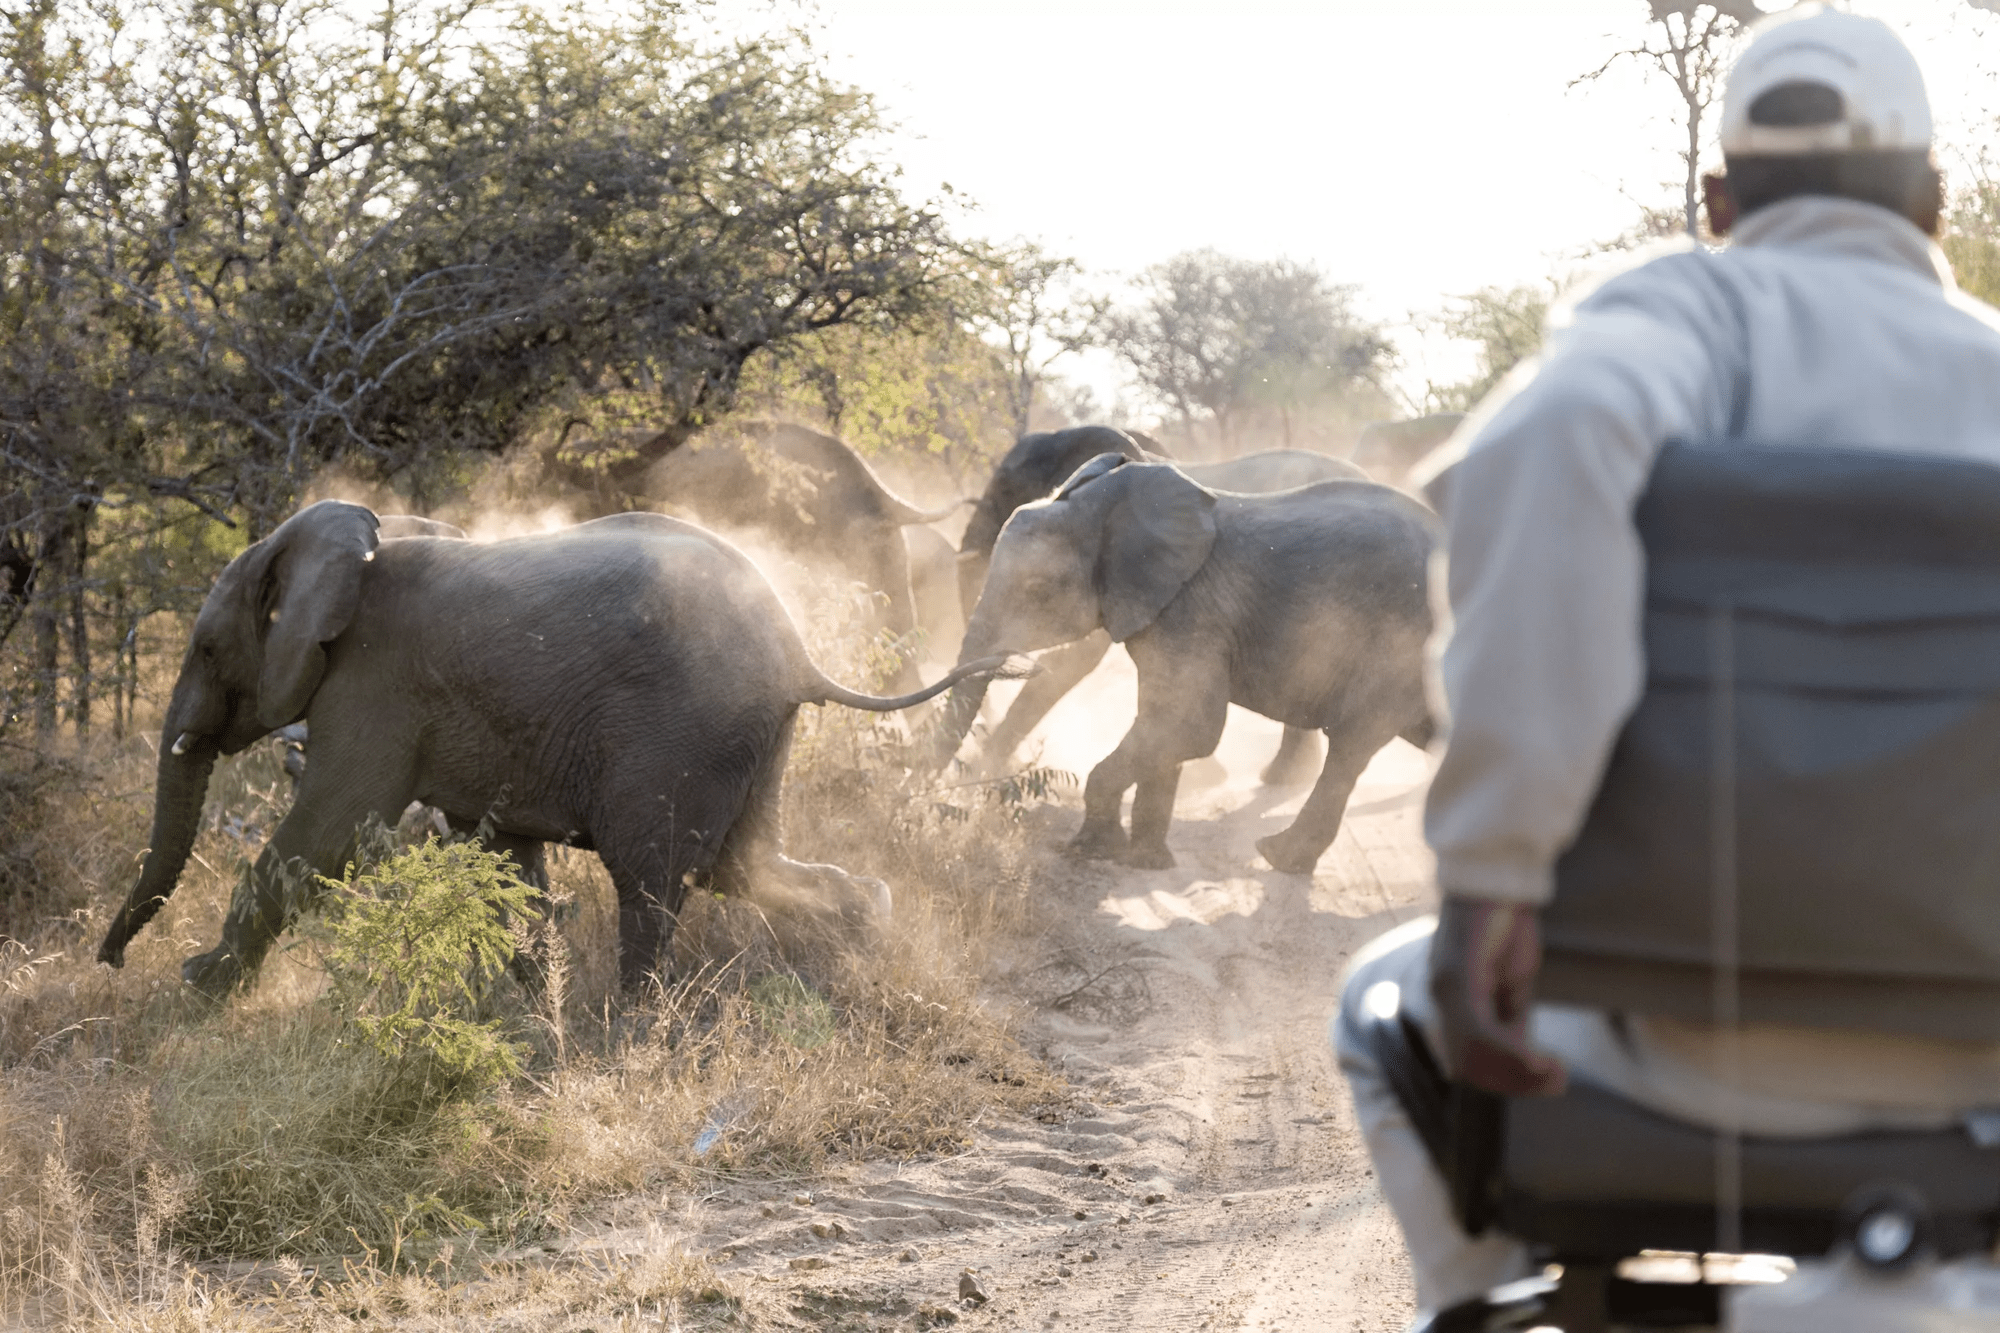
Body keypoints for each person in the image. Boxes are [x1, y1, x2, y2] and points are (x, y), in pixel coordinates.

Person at [1333, 4, 2000, 1320]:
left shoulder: (1692, 316)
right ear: (1933, 201)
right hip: (1982, 1076)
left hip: (1672, 1053)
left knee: (1374, 1002)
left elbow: (1563, 429)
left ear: (1718, 200)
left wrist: (1491, 883)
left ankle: (1476, 1299)